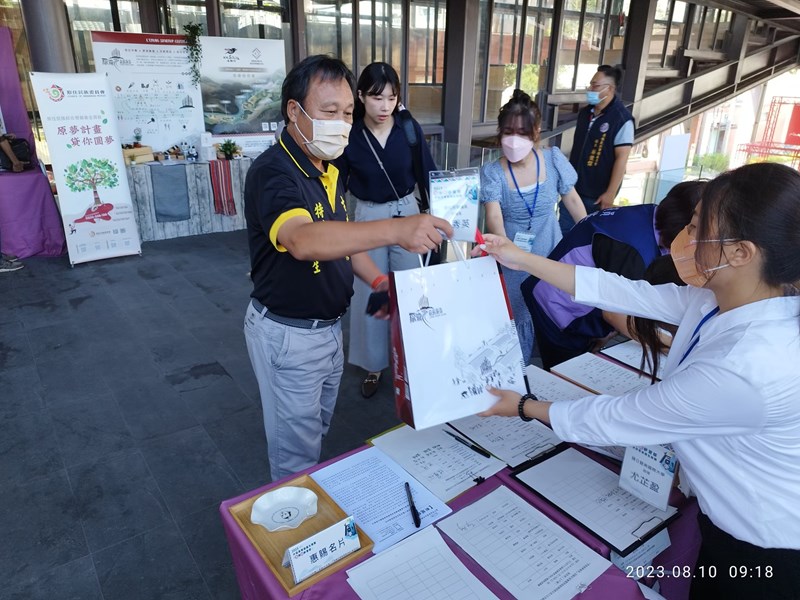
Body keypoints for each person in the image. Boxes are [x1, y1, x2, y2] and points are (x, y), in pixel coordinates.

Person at [478, 162, 800, 598]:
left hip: (761, 550)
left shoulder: (748, 367)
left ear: (741, 253)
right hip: (729, 514)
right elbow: (621, 291)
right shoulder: (720, 300)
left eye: (699, 227)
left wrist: (521, 406)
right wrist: (518, 258)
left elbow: (620, 417)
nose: (686, 238)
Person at [243, 55, 452, 481]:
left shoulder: (329, 167)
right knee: (295, 453)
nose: (341, 122)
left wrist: (379, 281)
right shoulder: (273, 172)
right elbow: (304, 240)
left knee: (313, 432)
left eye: (346, 113)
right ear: (294, 111)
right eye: (328, 112)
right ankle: (294, 533)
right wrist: (396, 230)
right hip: (290, 333)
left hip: (328, 330)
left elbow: (343, 239)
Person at [524, 180, 705, 370]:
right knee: (565, 372)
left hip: (582, 301)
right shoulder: (632, 247)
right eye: (693, 229)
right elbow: (616, 314)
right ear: (681, 223)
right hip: (556, 304)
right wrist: (676, 347)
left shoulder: (654, 215)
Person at [335, 62, 437, 399]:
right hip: (368, 216)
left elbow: (427, 171)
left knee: (412, 290)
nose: (385, 106)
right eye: (377, 98)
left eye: (392, 98)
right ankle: (373, 365)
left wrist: (438, 215)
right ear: (361, 96)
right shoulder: (350, 133)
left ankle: (414, 359)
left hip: (406, 211)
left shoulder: (408, 128)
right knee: (372, 293)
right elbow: (335, 182)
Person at [480, 89, 586, 364]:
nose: (513, 140)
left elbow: (572, 199)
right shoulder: (493, 172)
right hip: (513, 258)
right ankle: (520, 376)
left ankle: (558, 370)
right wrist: (506, 251)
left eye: (522, 132)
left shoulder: (553, 160)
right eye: (507, 132)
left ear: (536, 131)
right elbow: (494, 217)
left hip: (551, 246)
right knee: (520, 314)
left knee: (556, 306)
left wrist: (589, 232)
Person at [560, 65, 635, 234]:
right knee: (564, 235)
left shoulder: (622, 119)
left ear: (609, 89)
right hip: (573, 188)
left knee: (587, 238)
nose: (590, 89)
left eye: (595, 85)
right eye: (591, 85)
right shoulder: (585, 113)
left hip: (596, 196)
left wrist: (610, 193)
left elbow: (622, 159)